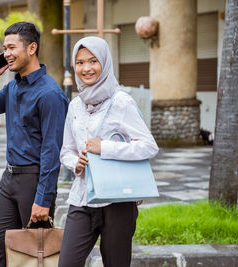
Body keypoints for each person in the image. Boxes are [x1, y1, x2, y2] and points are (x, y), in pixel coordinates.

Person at [58, 36, 159, 267]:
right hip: (82, 198)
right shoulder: (75, 104)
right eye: (80, 62)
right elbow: (66, 150)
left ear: (104, 62)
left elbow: (148, 146)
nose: (86, 68)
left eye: (93, 61)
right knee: (67, 263)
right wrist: (76, 163)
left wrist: (104, 147)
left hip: (117, 200)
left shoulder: (121, 101)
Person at [0, 22, 69, 267]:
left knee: (34, 256)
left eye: (12, 47)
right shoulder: (13, 87)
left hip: (34, 180)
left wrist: (43, 199)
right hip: (10, 178)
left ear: (31, 48)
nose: (6, 53)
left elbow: (52, 150)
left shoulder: (50, 94)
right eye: (4, 47)